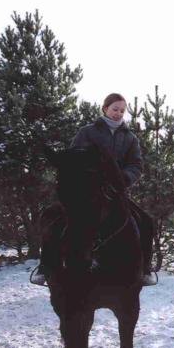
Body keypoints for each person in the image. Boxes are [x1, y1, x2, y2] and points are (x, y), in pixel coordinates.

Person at [31, 93, 156, 286]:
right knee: (52, 218)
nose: (118, 113)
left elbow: (136, 165)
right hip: (85, 191)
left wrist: (124, 178)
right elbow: (72, 158)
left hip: (116, 193)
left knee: (146, 222)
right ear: (105, 108)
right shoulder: (87, 132)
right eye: (115, 109)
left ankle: (145, 270)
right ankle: (45, 267)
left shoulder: (130, 138)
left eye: (122, 110)